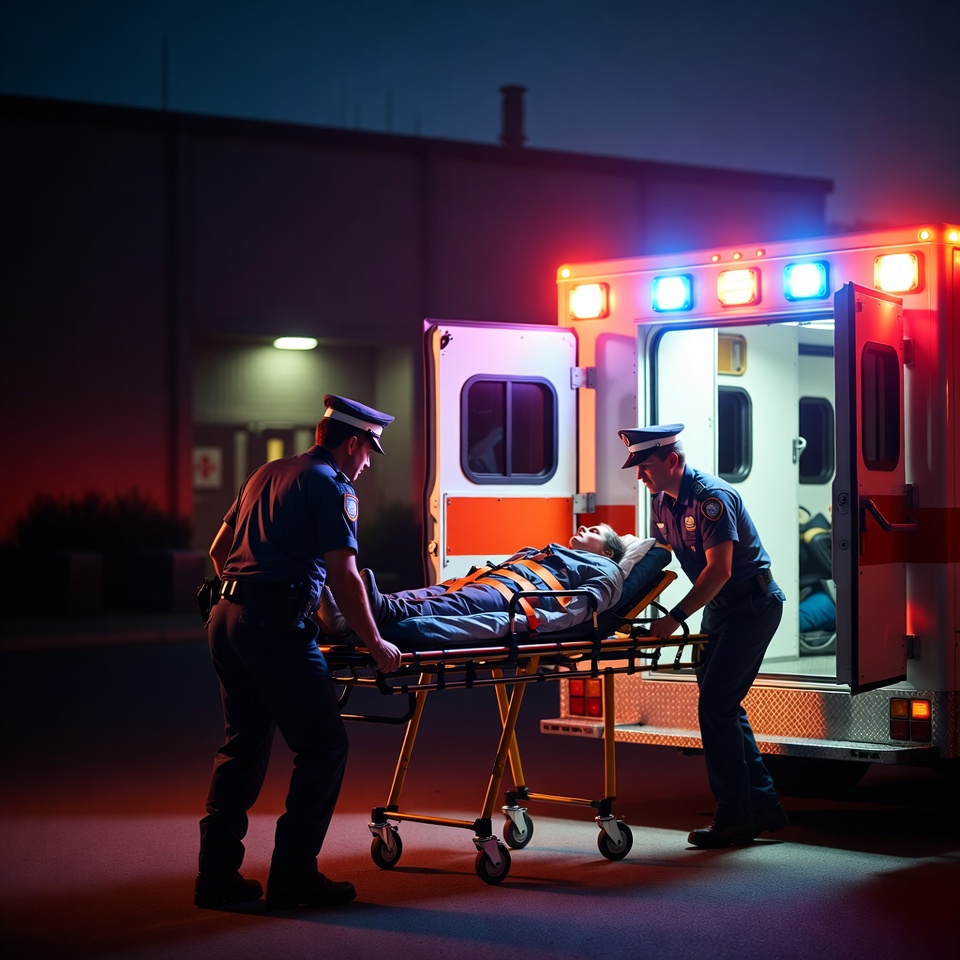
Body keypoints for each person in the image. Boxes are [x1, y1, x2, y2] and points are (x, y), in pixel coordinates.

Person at [195, 395, 402, 911]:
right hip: (275, 628)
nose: (369, 463)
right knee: (324, 746)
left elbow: (219, 551)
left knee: (241, 747)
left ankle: (215, 878)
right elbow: (345, 574)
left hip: (225, 621)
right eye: (369, 451)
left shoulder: (267, 472)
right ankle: (293, 878)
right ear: (351, 443)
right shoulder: (331, 486)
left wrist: (250, 592)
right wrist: (375, 643)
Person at [619, 423, 789, 848]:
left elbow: (720, 570)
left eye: (645, 467)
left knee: (716, 706)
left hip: (752, 606)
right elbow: (660, 558)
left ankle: (734, 820)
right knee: (723, 707)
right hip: (720, 610)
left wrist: (674, 618)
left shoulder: (712, 499)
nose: (640, 476)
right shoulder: (663, 502)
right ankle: (761, 805)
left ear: (672, 460)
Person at [318, 524, 671, 644]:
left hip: (507, 600)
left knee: (440, 607)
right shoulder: (549, 550)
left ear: (608, 550)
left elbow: (582, 609)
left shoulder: (606, 572)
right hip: (488, 584)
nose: (584, 529)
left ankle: (366, 613)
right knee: (431, 594)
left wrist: (528, 623)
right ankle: (350, 615)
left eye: (594, 531)